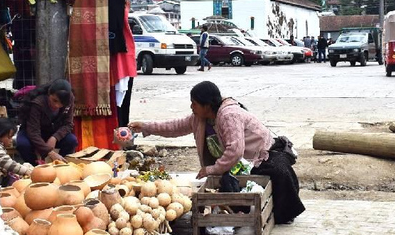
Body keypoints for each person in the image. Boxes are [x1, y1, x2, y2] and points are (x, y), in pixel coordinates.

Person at [129, 81, 305, 224]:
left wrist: (212, 169)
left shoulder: (228, 115)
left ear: (207, 105)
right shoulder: (199, 118)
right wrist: (145, 126)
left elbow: (235, 151)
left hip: (261, 155)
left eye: (195, 103)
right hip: (238, 162)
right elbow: (174, 127)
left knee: (263, 181)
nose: (191, 107)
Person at [16, 79, 78, 165]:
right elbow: (33, 132)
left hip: (53, 132)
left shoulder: (69, 99)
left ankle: (62, 165)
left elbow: (68, 124)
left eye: (61, 104)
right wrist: (49, 152)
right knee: (23, 144)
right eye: (54, 100)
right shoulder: (37, 103)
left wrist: (55, 137)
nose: (57, 105)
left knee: (71, 140)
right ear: (49, 93)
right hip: (32, 132)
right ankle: (34, 167)